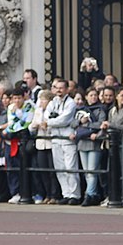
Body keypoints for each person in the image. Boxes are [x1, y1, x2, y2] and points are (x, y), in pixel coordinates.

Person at [44, 77, 81, 205]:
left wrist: (50, 122)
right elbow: (46, 115)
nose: (59, 90)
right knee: (59, 168)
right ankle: (66, 193)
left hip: (67, 139)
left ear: (66, 89)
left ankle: (74, 195)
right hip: (55, 139)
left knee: (70, 167)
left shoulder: (71, 103)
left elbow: (65, 119)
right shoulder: (52, 102)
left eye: (61, 88)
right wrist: (52, 121)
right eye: (56, 88)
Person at [74, 87, 106, 206]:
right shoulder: (81, 109)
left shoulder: (100, 110)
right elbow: (73, 122)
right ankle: (93, 194)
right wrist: (80, 122)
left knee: (92, 170)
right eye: (91, 95)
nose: (93, 97)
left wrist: (87, 125)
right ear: (86, 97)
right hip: (82, 143)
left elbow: (100, 123)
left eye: (95, 95)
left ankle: (89, 194)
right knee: (87, 171)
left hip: (94, 143)